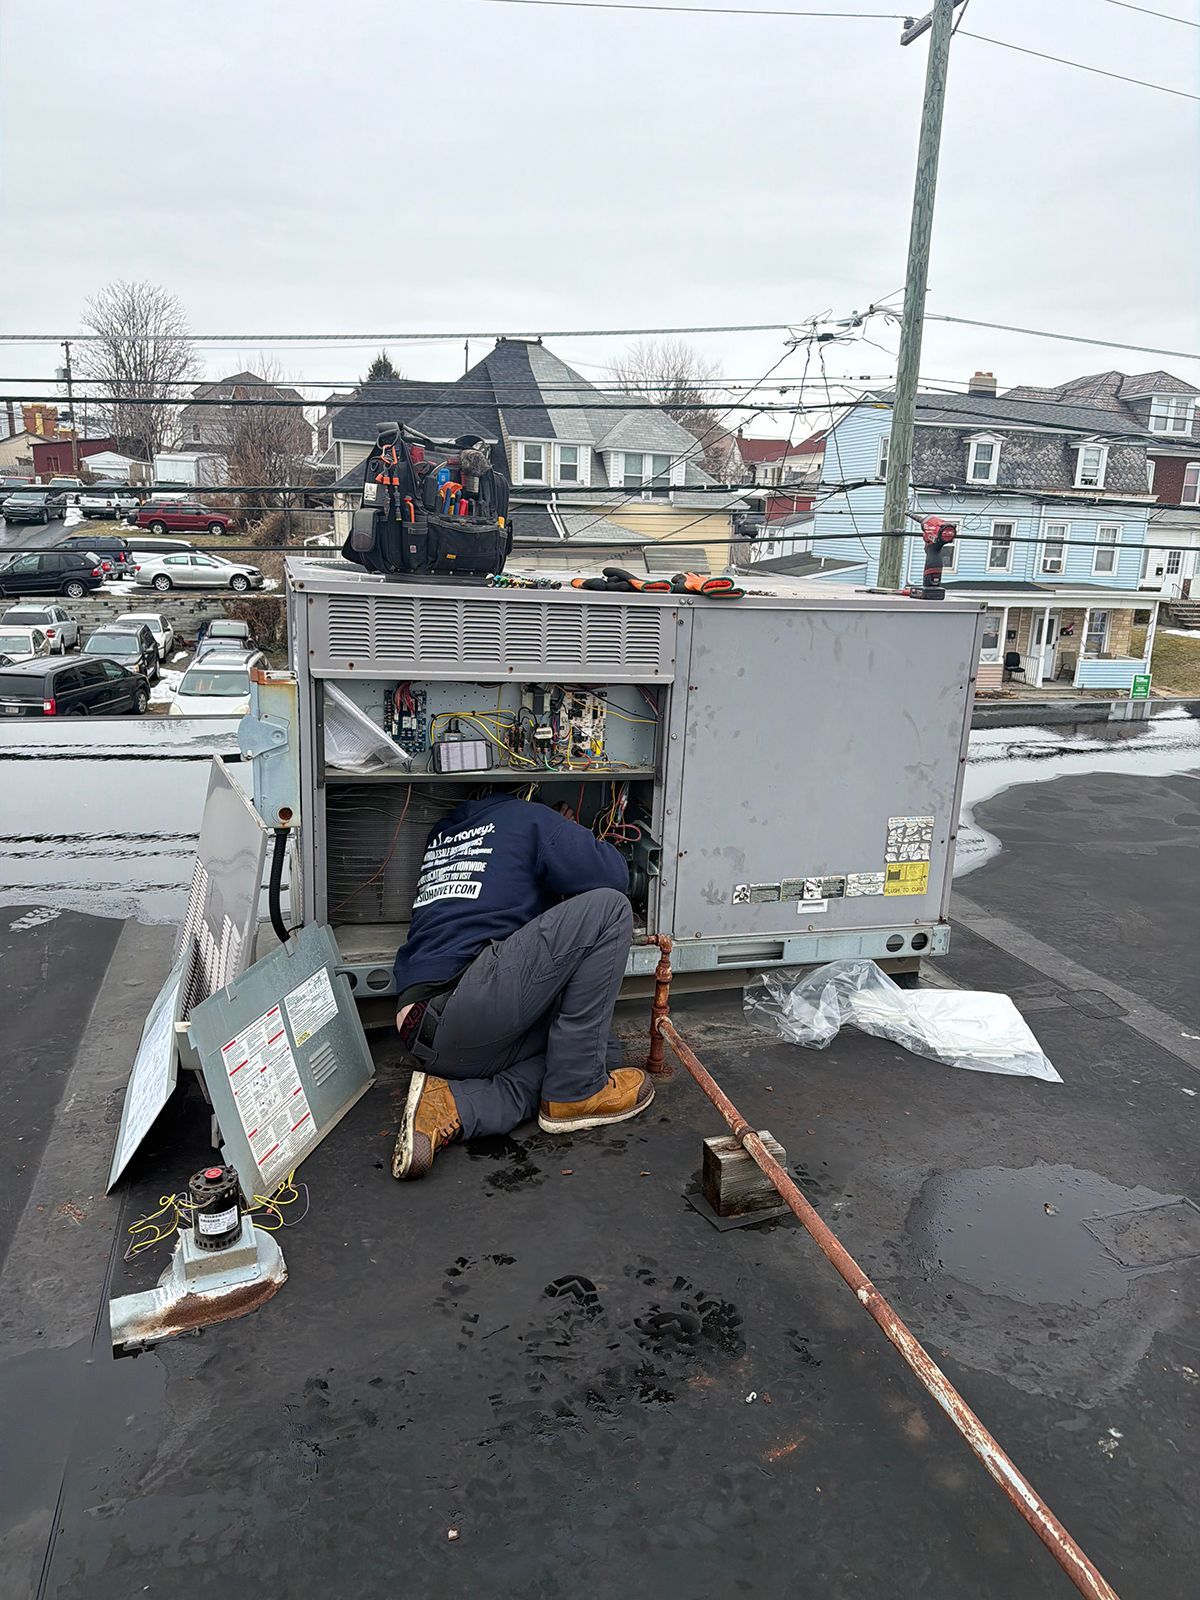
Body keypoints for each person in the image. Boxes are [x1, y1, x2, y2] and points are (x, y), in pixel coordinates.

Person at [391, 790, 653, 1180]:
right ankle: (576, 1094)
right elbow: (613, 876)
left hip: (427, 1031)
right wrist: (567, 827)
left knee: (599, 1052)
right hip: (465, 1001)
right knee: (610, 909)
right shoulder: (528, 817)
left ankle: (456, 1106)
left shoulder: (443, 832)